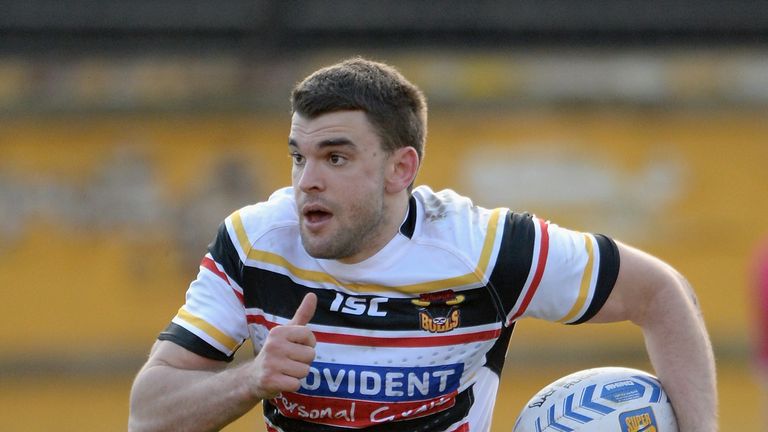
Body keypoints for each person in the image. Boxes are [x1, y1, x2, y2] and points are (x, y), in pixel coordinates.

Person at [128, 57, 717, 432]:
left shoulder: (484, 249)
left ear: (400, 167)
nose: (307, 179)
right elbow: (148, 413)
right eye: (298, 156)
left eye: (335, 157)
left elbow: (661, 293)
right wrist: (251, 379)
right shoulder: (254, 242)